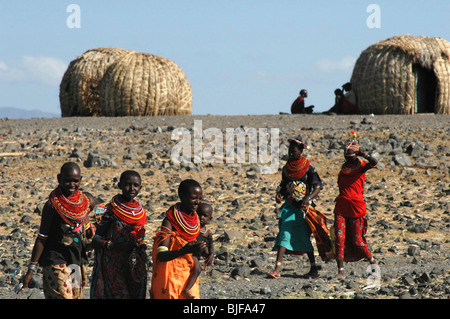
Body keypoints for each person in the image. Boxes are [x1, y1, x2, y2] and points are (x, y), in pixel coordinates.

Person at [20, 162, 93, 299]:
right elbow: (42, 237)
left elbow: (86, 227)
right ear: (59, 178)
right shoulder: (52, 205)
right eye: (67, 180)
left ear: (80, 180)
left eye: (75, 181)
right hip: (55, 260)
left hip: (76, 260)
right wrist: (31, 269)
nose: (72, 184)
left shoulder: (83, 203)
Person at [268, 139, 323, 279]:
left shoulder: (309, 168)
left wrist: (308, 198)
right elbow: (283, 186)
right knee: (285, 233)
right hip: (290, 207)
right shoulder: (286, 169)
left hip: (304, 209)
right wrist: (279, 195)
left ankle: (313, 268)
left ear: (301, 151)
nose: (291, 153)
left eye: (294, 151)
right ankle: (277, 269)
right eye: (289, 151)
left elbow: (318, 186)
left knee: (305, 237)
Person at [90, 170, 148, 299]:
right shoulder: (110, 211)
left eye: (136, 185)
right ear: (120, 185)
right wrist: (114, 245)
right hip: (114, 265)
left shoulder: (140, 212)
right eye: (128, 184)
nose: (132, 188)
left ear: (140, 187)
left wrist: (142, 247)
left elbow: (141, 235)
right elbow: (96, 240)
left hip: (134, 264)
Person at [150, 179, 206, 299]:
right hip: (170, 278)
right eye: (194, 198)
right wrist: (183, 251)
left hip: (188, 277)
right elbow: (161, 255)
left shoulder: (195, 220)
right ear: (182, 196)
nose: (198, 202)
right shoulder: (169, 221)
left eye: (200, 198)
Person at [333, 131, 378, 279]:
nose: (348, 156)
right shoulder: (344, 169)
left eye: (351, 154)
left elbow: (374, 163)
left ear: (356, 155)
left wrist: (363, 154)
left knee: (358, 240)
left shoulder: (361, 166)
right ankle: (340, 271)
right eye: (346, 154)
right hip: (341, 206)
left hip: (356, 208)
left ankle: (372, 261)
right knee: (339, 238)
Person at [182, 202, 215, 299]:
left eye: (205, 216)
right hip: (191, 253)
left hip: (197, 254)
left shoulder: (208, 232)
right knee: (197, 269)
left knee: (197, 269)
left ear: (209, 219)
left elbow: (211, 245)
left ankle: (187, 289)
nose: (201, 217)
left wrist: (211, 254)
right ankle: (186, 290)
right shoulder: (191, 228)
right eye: (199, 214)